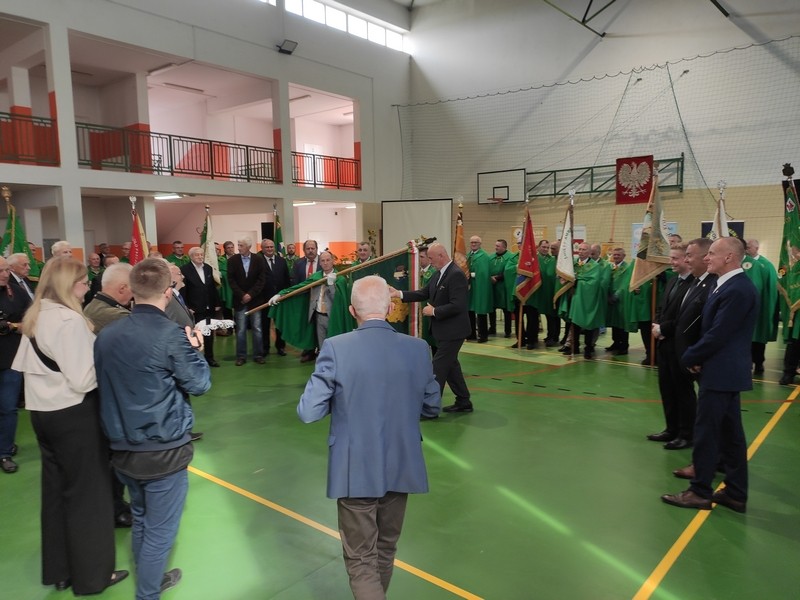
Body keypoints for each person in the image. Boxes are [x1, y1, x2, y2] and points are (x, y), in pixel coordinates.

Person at [297, 276, 441, 599]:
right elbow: (432, 406)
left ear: (352, 311)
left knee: (361, 558)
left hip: (355, 469)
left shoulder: (336, 348)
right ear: (390, 309)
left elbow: (309, 411)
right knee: (385, 549)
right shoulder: (418, 349)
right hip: (401, 464)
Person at [95, 258, 211, 599]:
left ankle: (152, 579)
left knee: (142, 517)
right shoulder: (170, 335)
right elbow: (200, 383)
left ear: (131, 290)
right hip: (162, 450)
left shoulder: (106, 335)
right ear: (168, 292)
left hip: (122, 447)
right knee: (160, 531)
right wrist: (197, 351)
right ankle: (148, 592)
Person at [12, 258, 128, 594]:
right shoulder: (69, 320)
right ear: (69, 285)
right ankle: (94, 576)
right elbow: (83, 379)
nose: (87, 288)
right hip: (75, 415)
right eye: (83, 283)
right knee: (89, 495)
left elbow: (27, 368)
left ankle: (60, 569)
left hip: (42, 414)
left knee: (56, 492)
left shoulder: (37, 315)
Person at [662, 237, 759, 513]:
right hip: (723, 370)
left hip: (721, 372)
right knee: (731, 434)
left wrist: (690, 356)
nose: (707, 258)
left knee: (707, 433)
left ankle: (700, 492)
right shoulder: (726, 285)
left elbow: (718, 333)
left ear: (729, 257)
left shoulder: (737, 289)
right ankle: (736, 492)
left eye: (712, 253)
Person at [83, 262, 136, 527]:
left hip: (104, 393)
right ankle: (115, 508)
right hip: (110, 396)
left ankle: (115, 505)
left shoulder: (94, 306)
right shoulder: (112, 314)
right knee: (115, 457)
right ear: (123, 288)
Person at [390, 242, 473, 413]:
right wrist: (398, 294)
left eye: (431, 257)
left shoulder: (456, 274)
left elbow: (458, 305)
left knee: (437, 369)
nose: (429, 260)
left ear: (441, 256)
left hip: (454, 331)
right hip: (444, 331)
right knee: (451, 367)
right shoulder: (438, 274)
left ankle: (429, 408)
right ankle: (464, 401)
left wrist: (434, 311)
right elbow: (424, 293)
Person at [648, 244, 695, 448]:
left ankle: (687, 433)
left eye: (675, 258)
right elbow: (662, 308)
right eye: (671, 258)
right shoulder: (673, 280)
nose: (671, 262)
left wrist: (663, 328)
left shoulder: (694, 284)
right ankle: (671, 429)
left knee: (683, 391)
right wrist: (657, 324)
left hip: (680, 345)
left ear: (687, 259)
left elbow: (687, 317)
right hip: (665, 344)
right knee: (667, 388)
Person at [0, 257, 31, 473]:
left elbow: (31, 322)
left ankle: (4, 452)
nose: (5, 274)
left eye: (6, 270)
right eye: (1, 270)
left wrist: (10, 325)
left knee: (8, 408)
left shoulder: (17, 293)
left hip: (11, 359)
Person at [227, 237, 267, 366]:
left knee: (257, 328)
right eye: (238, 245)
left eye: (241, 245)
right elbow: (231, 280)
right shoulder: (232, 260)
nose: (238, 248)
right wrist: (242, 295)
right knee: (240, 330)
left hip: (256, 300)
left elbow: (261, 280)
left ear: (249, 247)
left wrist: (251, 294)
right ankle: (241, 356)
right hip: (240, 301)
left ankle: (258, 355)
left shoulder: (258, 260)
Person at [181, 247, 221, 367]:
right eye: (197, 255)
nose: (200, 257)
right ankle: (197, 359)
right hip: (194, 308)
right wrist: (187, 307)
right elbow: (183, 290)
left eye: (201, 254)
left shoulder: (208, 268)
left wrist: (217, 303)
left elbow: (212, 287)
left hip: (209, 306)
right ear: (191, 257)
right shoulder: (184, 270)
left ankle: (210, 358)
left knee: (209, 333)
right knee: (196, 334)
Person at [743, 239, 778, 375]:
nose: (746, 249)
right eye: (745, 247)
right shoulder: (742, 263)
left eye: (749, 247)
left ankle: (758, 363)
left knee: (758, 337)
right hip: (745, 308)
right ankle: (747, 363)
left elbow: (771, 287)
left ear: (757, 248)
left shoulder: (766, 265)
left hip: (761, 306)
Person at [260, 239, 290, 356]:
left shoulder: (282, 261)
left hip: (280, 299)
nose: (270, 249)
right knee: (264, 324)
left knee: (280, 325)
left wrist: (286, 295)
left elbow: (286, 279)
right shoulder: (258, 261)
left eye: (271, 247)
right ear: (262, 249)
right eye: (267, 247)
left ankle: (281, 347)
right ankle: (265, 347)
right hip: (264, 299)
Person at [467, 235, 492, 342]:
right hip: (470, 287)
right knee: (469, 310)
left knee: (481, 311)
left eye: (475, 242)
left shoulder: (484, 256)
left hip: (480, 287)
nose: (473, 244)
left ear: (480, 244)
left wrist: (472, 274)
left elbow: (484, 272)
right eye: (472, 242)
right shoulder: (468, 255)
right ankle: (471, 333)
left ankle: (483, 335)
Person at [489, 239, 512, 338]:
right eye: (496, 245)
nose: (496, 248)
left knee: (506, 310)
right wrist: (490, 277)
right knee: (491, 309)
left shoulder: (510, 257)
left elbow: (509, 271)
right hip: (492, 286)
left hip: (504, 287)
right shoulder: (490, 257)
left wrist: (497, 278)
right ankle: (492, 328)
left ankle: (508, 330)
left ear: (504, 247)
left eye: (498, 246)